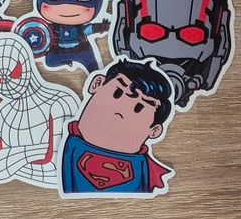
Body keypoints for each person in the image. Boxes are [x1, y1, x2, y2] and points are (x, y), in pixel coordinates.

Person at [60, 59, 174, 195]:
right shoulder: (62, 146)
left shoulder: (151, 175)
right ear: (97, 84)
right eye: (117, 93)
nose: (121, 110)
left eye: (139, 108)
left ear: (154, 131)